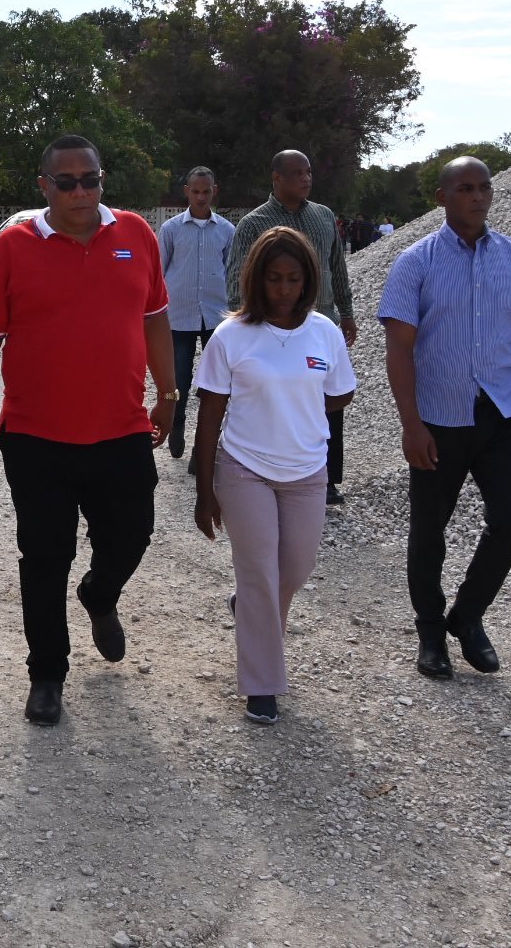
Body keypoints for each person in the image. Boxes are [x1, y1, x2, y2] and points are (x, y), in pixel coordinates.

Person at [0, 134, 176, 727]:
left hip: (122, 428)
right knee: (44, 556)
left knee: (133, 535)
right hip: (36, 435)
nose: (81, 191)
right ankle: (47, 674)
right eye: (67, 182)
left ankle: (100, 594)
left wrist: (167, 392)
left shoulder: (136, 235)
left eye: (91, 180)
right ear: (44, 187)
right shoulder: (13, 246)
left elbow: (157, 320)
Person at [378, 156, 511, 680]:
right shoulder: (416, 262)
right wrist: (411, 424)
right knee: (429, 531)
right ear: (442, 198)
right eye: (464, 188)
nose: (477, 197)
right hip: (439, 419)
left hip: (502, 413)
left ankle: (468, 614)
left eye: (484, 188)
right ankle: (431, 632)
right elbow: (399, 351)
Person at [193, 226, 356, 725]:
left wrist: (296, 401)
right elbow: (210, 415)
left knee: (296, 568)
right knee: (260, 572)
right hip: (245, 470)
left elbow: (341, 393)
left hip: (308, 471)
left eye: (293, 279)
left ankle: (249, 608)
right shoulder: (231, 336)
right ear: (256, 280)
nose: (283, 289)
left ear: (308, 281)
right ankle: (262, 685)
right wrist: (205, 490)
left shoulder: (324, 332)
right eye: (273, 279)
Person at [227, 150, 358, 505]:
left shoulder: (323, 217)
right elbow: (237, 278)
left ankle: (327, 476)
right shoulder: (255, 224)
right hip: (272, 331)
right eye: (297, 173)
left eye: (309, 172)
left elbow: (336, 267)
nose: (306, 178)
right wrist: (247, 325)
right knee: (282, 399)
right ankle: (265, 469)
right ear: (276, 178)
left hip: (322, 324)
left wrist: (346, 312)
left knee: (328, 399)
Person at [156, 167, 235, 465]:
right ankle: (177, 427)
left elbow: (231, 273)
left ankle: (203, 444)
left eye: (206, 191)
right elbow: (159, 272)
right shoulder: (172, 229)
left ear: (214, 190)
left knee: (214, 384)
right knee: (180, 380)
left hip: (216, 319)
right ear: (186, 191)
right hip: (179, 316)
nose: (201, 197)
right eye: (196, 191)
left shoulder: (227, 230)